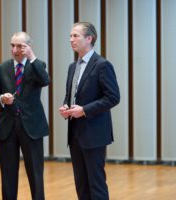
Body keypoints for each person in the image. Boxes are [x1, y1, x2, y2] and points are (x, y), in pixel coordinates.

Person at [59, 22, 120, 200]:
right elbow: (71, 95)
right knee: (81, 185)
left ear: (89, 38)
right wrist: (66, 107)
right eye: (70, 36)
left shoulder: (102, 65)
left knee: (96, 184)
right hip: (75, 134)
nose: (71, 39)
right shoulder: (73, 67)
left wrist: (84, 110)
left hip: (94, 134)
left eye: (75, 36)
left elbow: (113, 97)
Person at [0, 32, 50, 200]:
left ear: (28, 47)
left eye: (20, 46)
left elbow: (45, 80)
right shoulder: (2, 68)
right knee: (8, 174)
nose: (15, 50)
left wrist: (32, 57)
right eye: (12, 45)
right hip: (7, 127)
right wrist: (1, 99)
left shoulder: (37, 65)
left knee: (35, 173)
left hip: (32, 127)